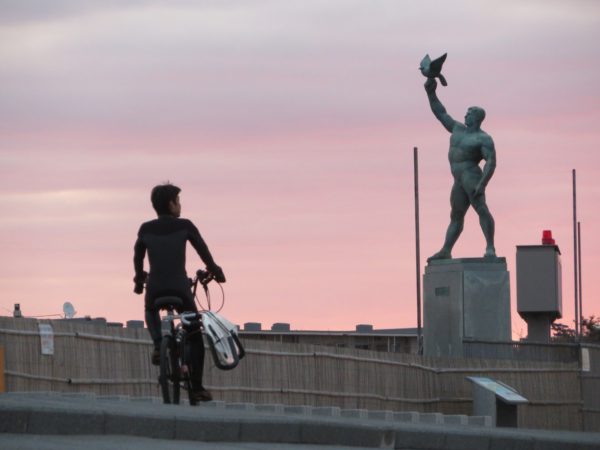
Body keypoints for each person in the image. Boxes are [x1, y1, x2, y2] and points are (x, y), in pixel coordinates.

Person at [133, 182, 226, 402]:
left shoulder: (145, 229)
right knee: (194, 334)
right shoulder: (186, 225)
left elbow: (137, 257)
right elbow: (204, 252)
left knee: (150, 308)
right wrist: (216, 271)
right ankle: (197, 386)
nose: (180, 205)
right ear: (171, 203)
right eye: (178, 201)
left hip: (155, 287)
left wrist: (139, 281)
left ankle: (157, 344)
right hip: (180, 288)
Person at [424, 77, 497, 261]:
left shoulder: (483, 138)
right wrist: (431, 93)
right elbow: (441, 113)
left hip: (471, 176)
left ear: (477, 118)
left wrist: (482, 184)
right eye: (466, 113)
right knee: (456, 215)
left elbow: (491, 162)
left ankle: (490, 247)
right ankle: (446, 250)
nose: (465, 116)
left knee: (481, 209)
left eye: (469, 113)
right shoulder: (457, 129)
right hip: (458, 179)